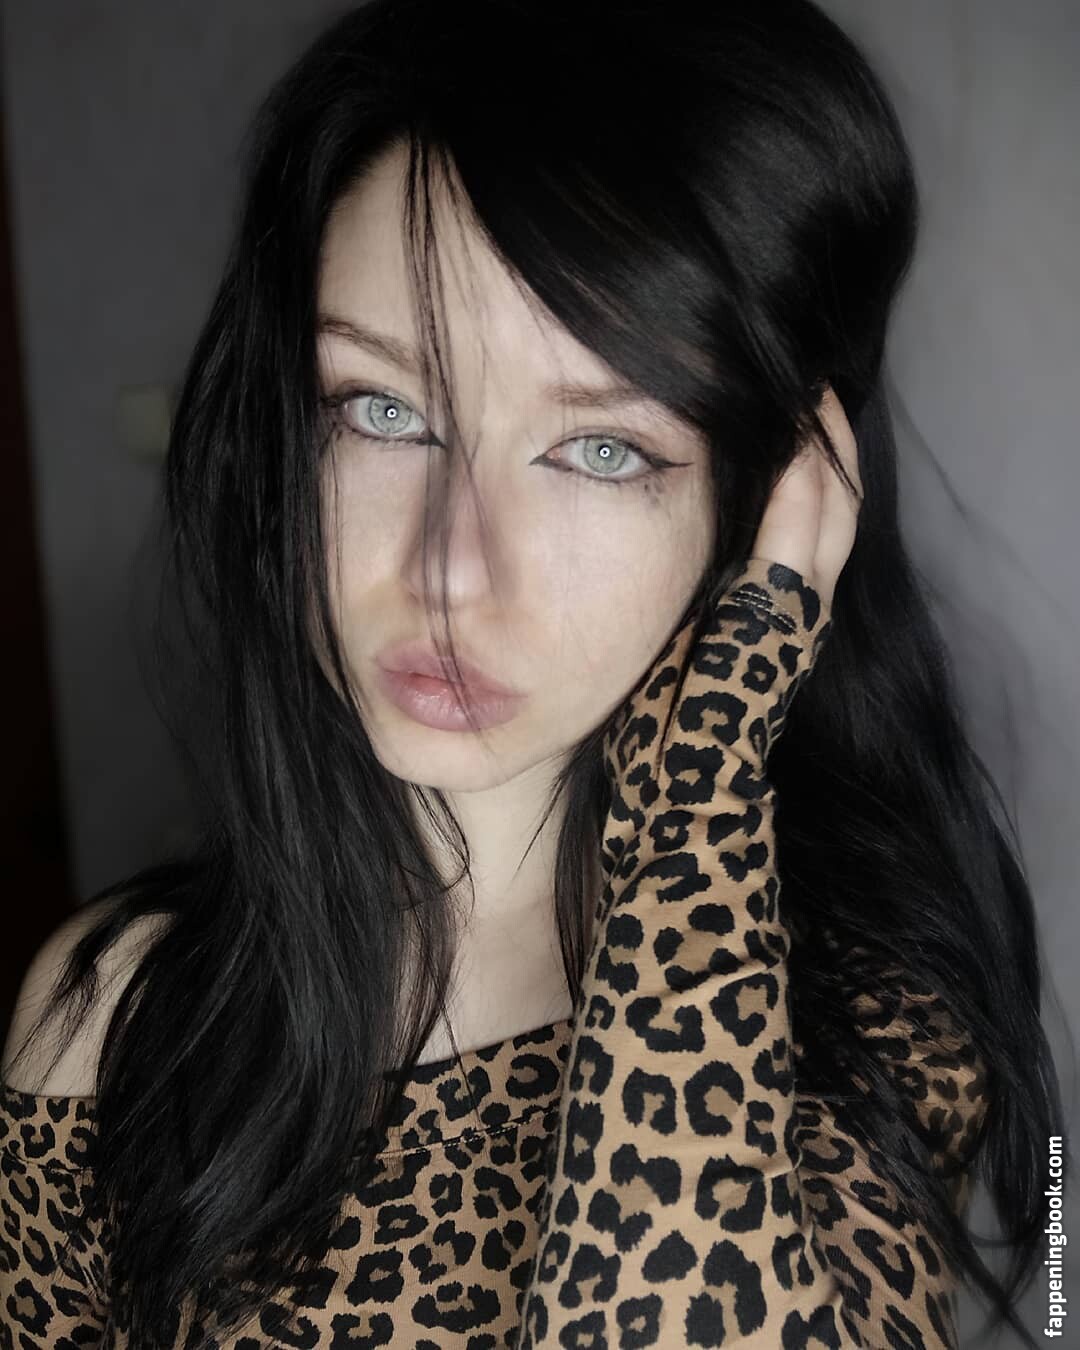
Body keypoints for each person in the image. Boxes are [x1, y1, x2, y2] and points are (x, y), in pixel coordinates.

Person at [1, 1, 1065, 1346]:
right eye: (384, 409)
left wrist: (698, 779)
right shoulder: (112, 1020)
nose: (450, 568)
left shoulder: (866, 1026)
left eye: (601, 450)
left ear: (773, 500)